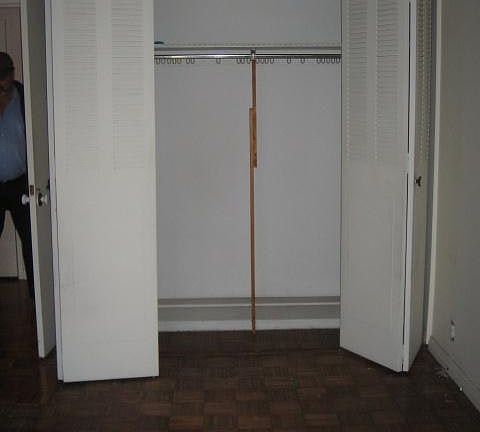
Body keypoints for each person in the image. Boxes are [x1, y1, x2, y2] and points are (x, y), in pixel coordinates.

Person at [0, 52, 34, 298]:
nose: (5, 82)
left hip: (20, 182)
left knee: (30, 240)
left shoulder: (23, 95)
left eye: (7, 75)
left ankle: (36, 296)